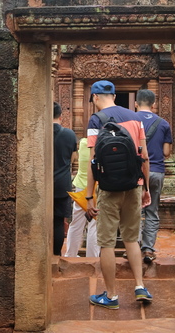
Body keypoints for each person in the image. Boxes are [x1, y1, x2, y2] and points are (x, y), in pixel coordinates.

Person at [85, 80, 153, 309]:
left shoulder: (96, 119)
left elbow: (93, 162)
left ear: (95, 97)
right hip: (134, 185)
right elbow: (144, 157)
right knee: (132, 238)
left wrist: (89, 196)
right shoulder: (136, 117)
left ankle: (111, 296)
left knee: (106, 243)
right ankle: (140, 286)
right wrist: (146, 188)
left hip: (108, 189)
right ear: (114, 95)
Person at [134, 89, 173, 264]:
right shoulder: (163, 124)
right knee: (151, 210)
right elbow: (166, 151)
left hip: (135, 173)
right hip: (156, 170)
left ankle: (133, 247)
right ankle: (148, 249)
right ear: (154, 104)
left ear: (136, 103)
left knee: (133, 211)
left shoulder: (130, 121)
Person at [64, 136, 100, 258]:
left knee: (76, 223)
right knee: (94, 225)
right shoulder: (102, 143)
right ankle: (92, 257)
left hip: (81, 187)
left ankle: (70, 254)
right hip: (96, 187)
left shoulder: (84, 143)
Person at [52, 102, 78, 256]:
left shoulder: (40, 132)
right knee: (58, 221)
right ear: (61, 116)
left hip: (42, 184)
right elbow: (73, 158)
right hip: (62, 183)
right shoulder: (69, 134)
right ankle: (56, 255)